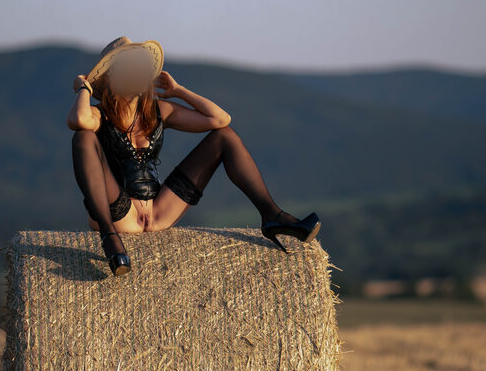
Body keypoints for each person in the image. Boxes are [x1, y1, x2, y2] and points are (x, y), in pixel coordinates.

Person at [67, 36, 321, 276]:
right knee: (83, 137)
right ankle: (109, 237)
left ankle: (272, 216)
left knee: (225, 137)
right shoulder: (100, 115)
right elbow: (78, 120)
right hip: (121, 214)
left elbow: (219, 120)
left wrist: (179, 91)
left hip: (159, 211)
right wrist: (84, 88)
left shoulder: (159, 111)